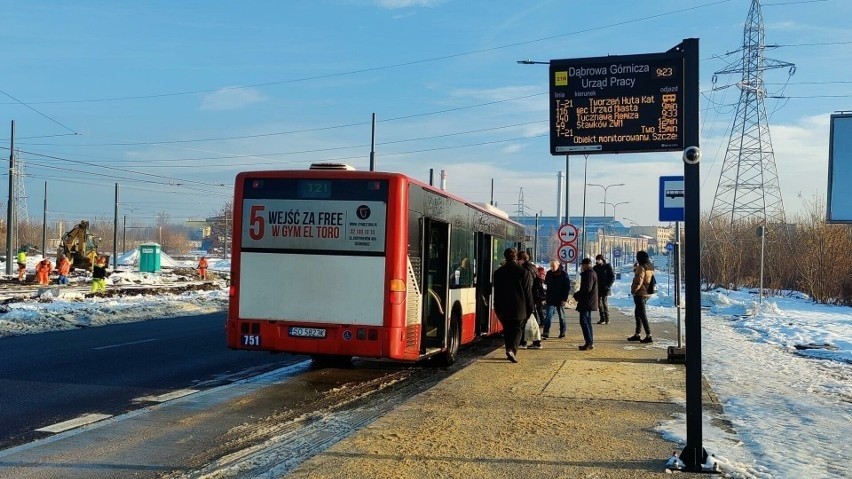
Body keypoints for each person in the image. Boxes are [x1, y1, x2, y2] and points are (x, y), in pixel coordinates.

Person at [492, 248, 534, 363]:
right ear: (516, 257)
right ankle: (511, 349)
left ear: (505, 257)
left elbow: (497, 291)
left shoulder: (498, 273)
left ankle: (509, 349)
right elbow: (527, 292)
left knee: (507, 329)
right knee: (518, 329)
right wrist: (531, 308)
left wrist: (496, 306)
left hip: (503, 306)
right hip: (519, 307)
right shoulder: (522, 272)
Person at [517, 251, 543, 350]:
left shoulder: (525, 269)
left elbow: (528, 286)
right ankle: (535, 342)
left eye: (518, 260)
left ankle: (524, 342)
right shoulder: (533, 267)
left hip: (528, 298)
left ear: (521, 259)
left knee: (524, 320)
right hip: (533, 298)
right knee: (532, 321)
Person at [628, 250, 655, 343]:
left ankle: (649, 335)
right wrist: (636, 269)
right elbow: (646, 278)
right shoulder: (650, 266)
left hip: (640, 293)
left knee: (642, 315)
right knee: (638, 313)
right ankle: (637, 334)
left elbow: (638, 280)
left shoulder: (641, 266)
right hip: (647, 292)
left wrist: (633, 291)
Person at [573, 257, 598, 350]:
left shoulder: (589, 274)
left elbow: (587, 289)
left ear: (586, 265)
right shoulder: (590, 273)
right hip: (588, 301)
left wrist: (577, 294)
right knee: (587, 321)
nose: (581, 267)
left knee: (584, 321)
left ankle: (589, 342)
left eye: (582, 265)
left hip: (587, 301)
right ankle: (590, 341)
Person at [544, 260, 571, 339]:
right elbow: (546, 284)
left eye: (553, 266)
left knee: (561, 316)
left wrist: (564, 299)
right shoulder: (549, 273)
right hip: (550, 298)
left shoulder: (563, 274)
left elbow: (566, 288)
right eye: (551, 266)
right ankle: (546, 332)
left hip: (560, 298)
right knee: (548, 316)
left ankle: (562, 331)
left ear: (558, 265)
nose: (552, 268)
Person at [593, 254, 615, 325]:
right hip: (598, 288)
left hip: (605, 288)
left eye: (599, 260)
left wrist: (609, 285)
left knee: (604, 302)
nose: (597, 261)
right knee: (599, 304)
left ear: (602, 260)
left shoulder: (607, 266)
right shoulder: (595, 268)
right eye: (597, 260)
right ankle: (602, 318)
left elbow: (612, 277)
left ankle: (607, 318)